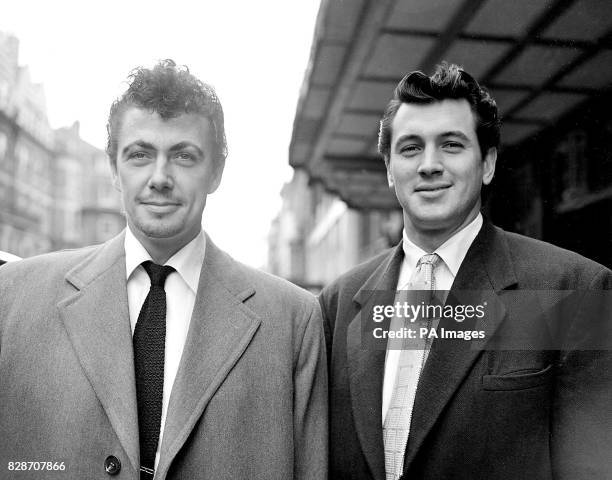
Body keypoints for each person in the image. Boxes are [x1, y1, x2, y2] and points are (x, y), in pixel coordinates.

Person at [0, 60, 327, 480]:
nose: (160, 177)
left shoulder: (294, 322)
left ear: (216, 172)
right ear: (114, 167)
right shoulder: (13, 299)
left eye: (184, 156)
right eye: (140, 154)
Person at [319, 62, 612, 479]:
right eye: (410, 147)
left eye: (452, 145)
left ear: (488, 164)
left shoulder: (573, 291)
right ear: (389, 169)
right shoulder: (339, 303)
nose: (429, 165)